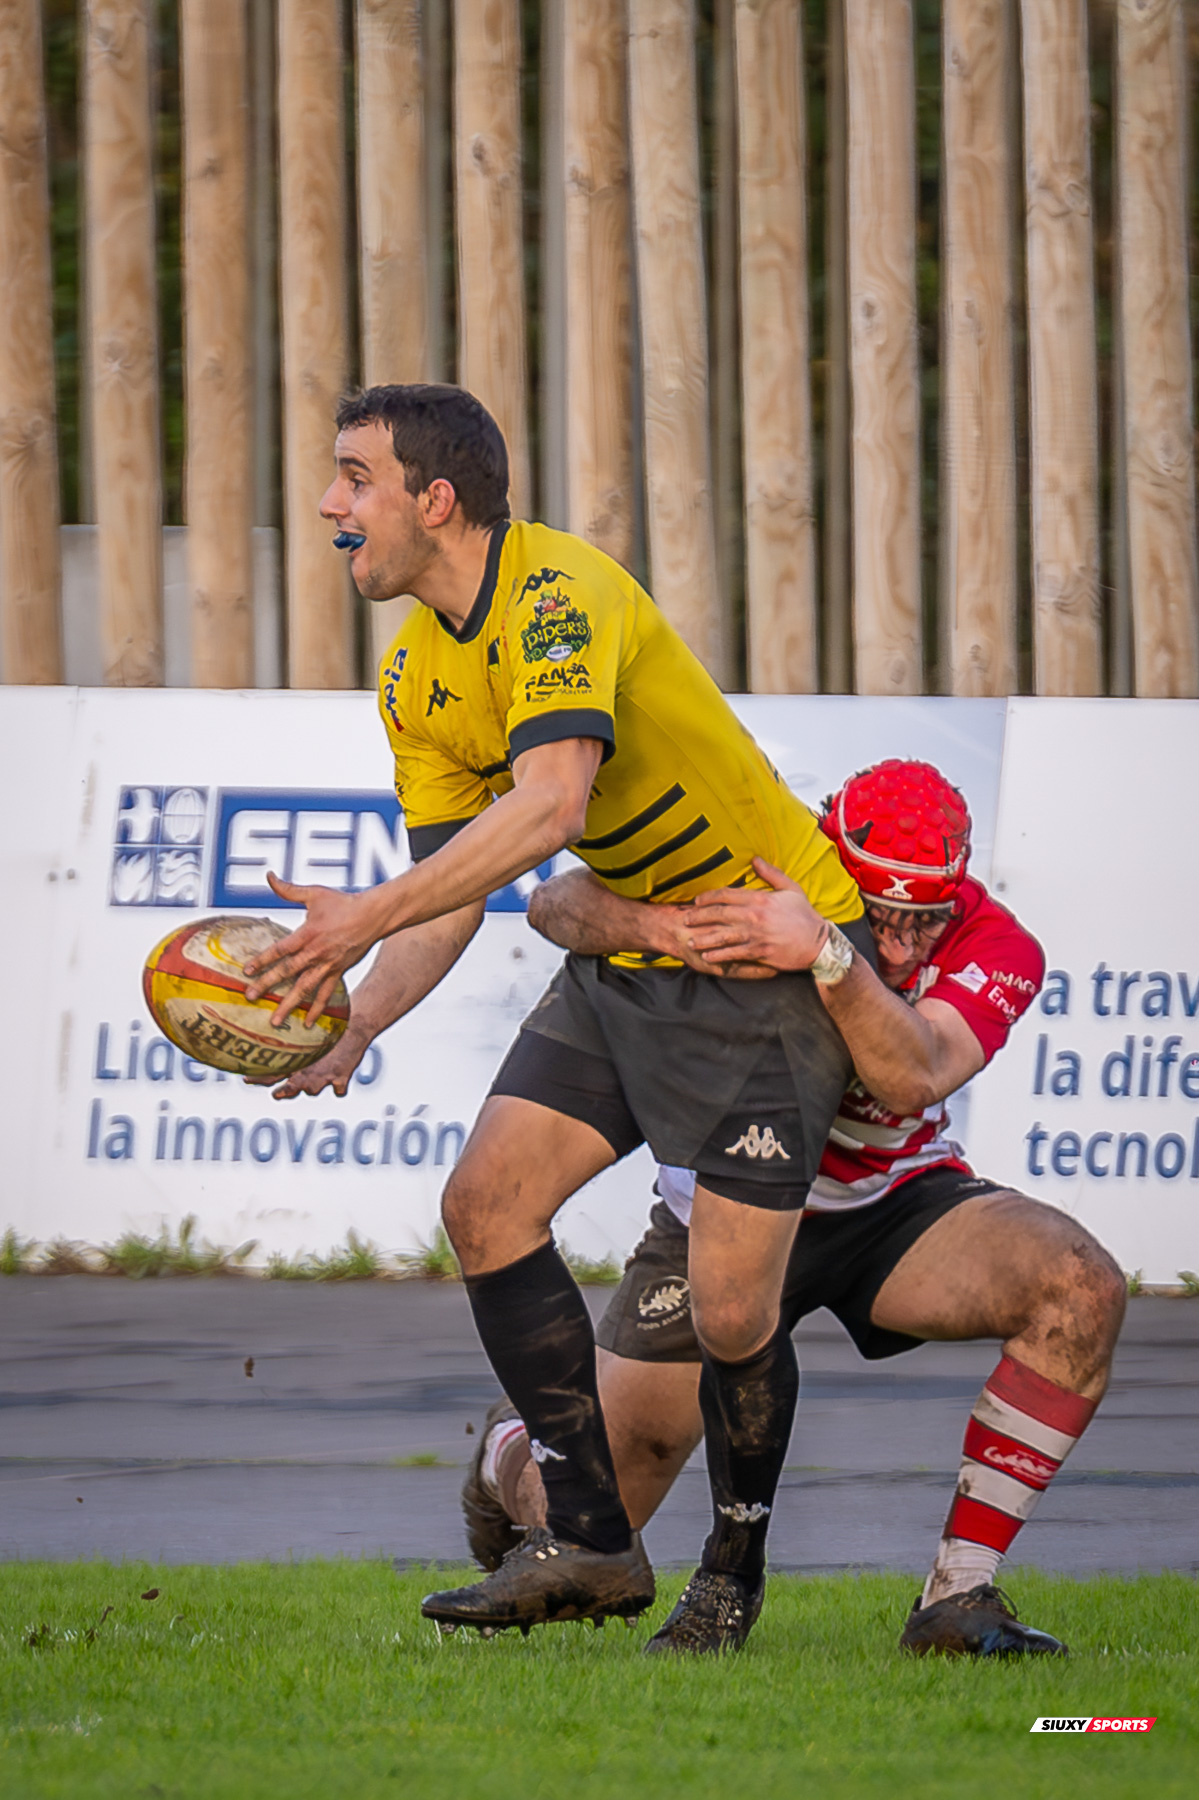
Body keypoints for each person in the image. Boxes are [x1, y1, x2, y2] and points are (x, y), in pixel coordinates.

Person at [240, 383, 872, 1648]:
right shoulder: (416, 671)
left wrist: (354, 915)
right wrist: (360, 1019)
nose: (329, 507)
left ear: (437, 499)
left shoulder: (555, 595)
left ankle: (728, 1581)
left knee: (734, 1312)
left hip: (763, 952)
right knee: (483, 1203)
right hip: (633, 955)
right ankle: (589, 1543)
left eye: (353, 478)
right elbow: (452, 899)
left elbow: (548, 812)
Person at [461, 759, 1127, 1656]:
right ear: (828, 855)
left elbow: (915, 1071)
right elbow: (555, 906)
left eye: (922, 920)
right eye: (879, 915)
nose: (899, 945)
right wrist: (671, 929)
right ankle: (505, 1449)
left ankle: (958, 1596)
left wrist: (828, 949)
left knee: (1079, 1286)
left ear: (957, 892)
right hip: (716, 1218)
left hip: (888, 1203)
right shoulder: (757, 862)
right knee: (587, 1508)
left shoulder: (997, 944)